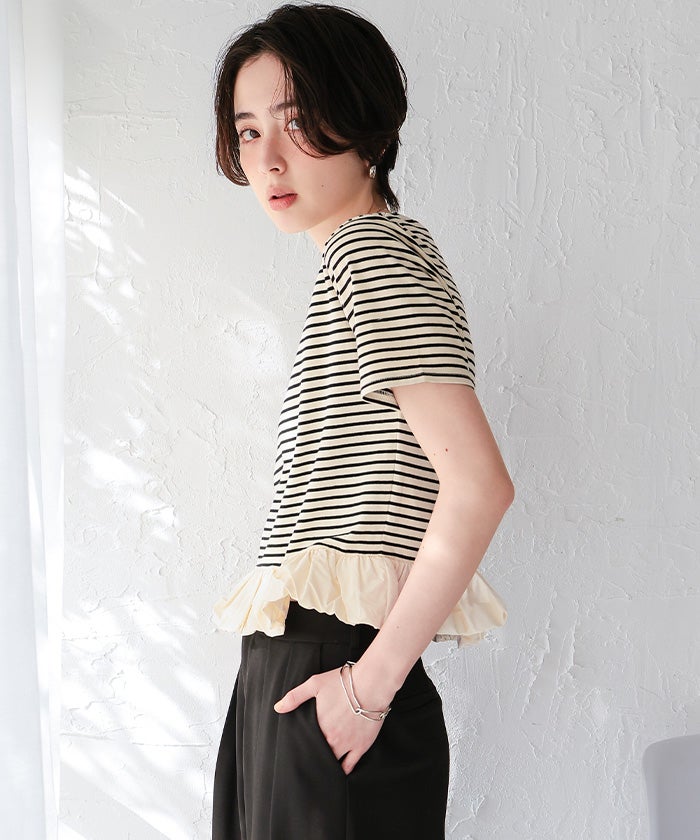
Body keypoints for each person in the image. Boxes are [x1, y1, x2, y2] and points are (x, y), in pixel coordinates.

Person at [210, 4, 514, 839]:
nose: (267, 158)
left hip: (332, 675)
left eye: (297, 122)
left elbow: (479, 486)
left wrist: (366, 690)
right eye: (247, 131)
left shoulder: (369, 253)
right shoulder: (361, 260)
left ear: (364, 124)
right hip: (305, 677)